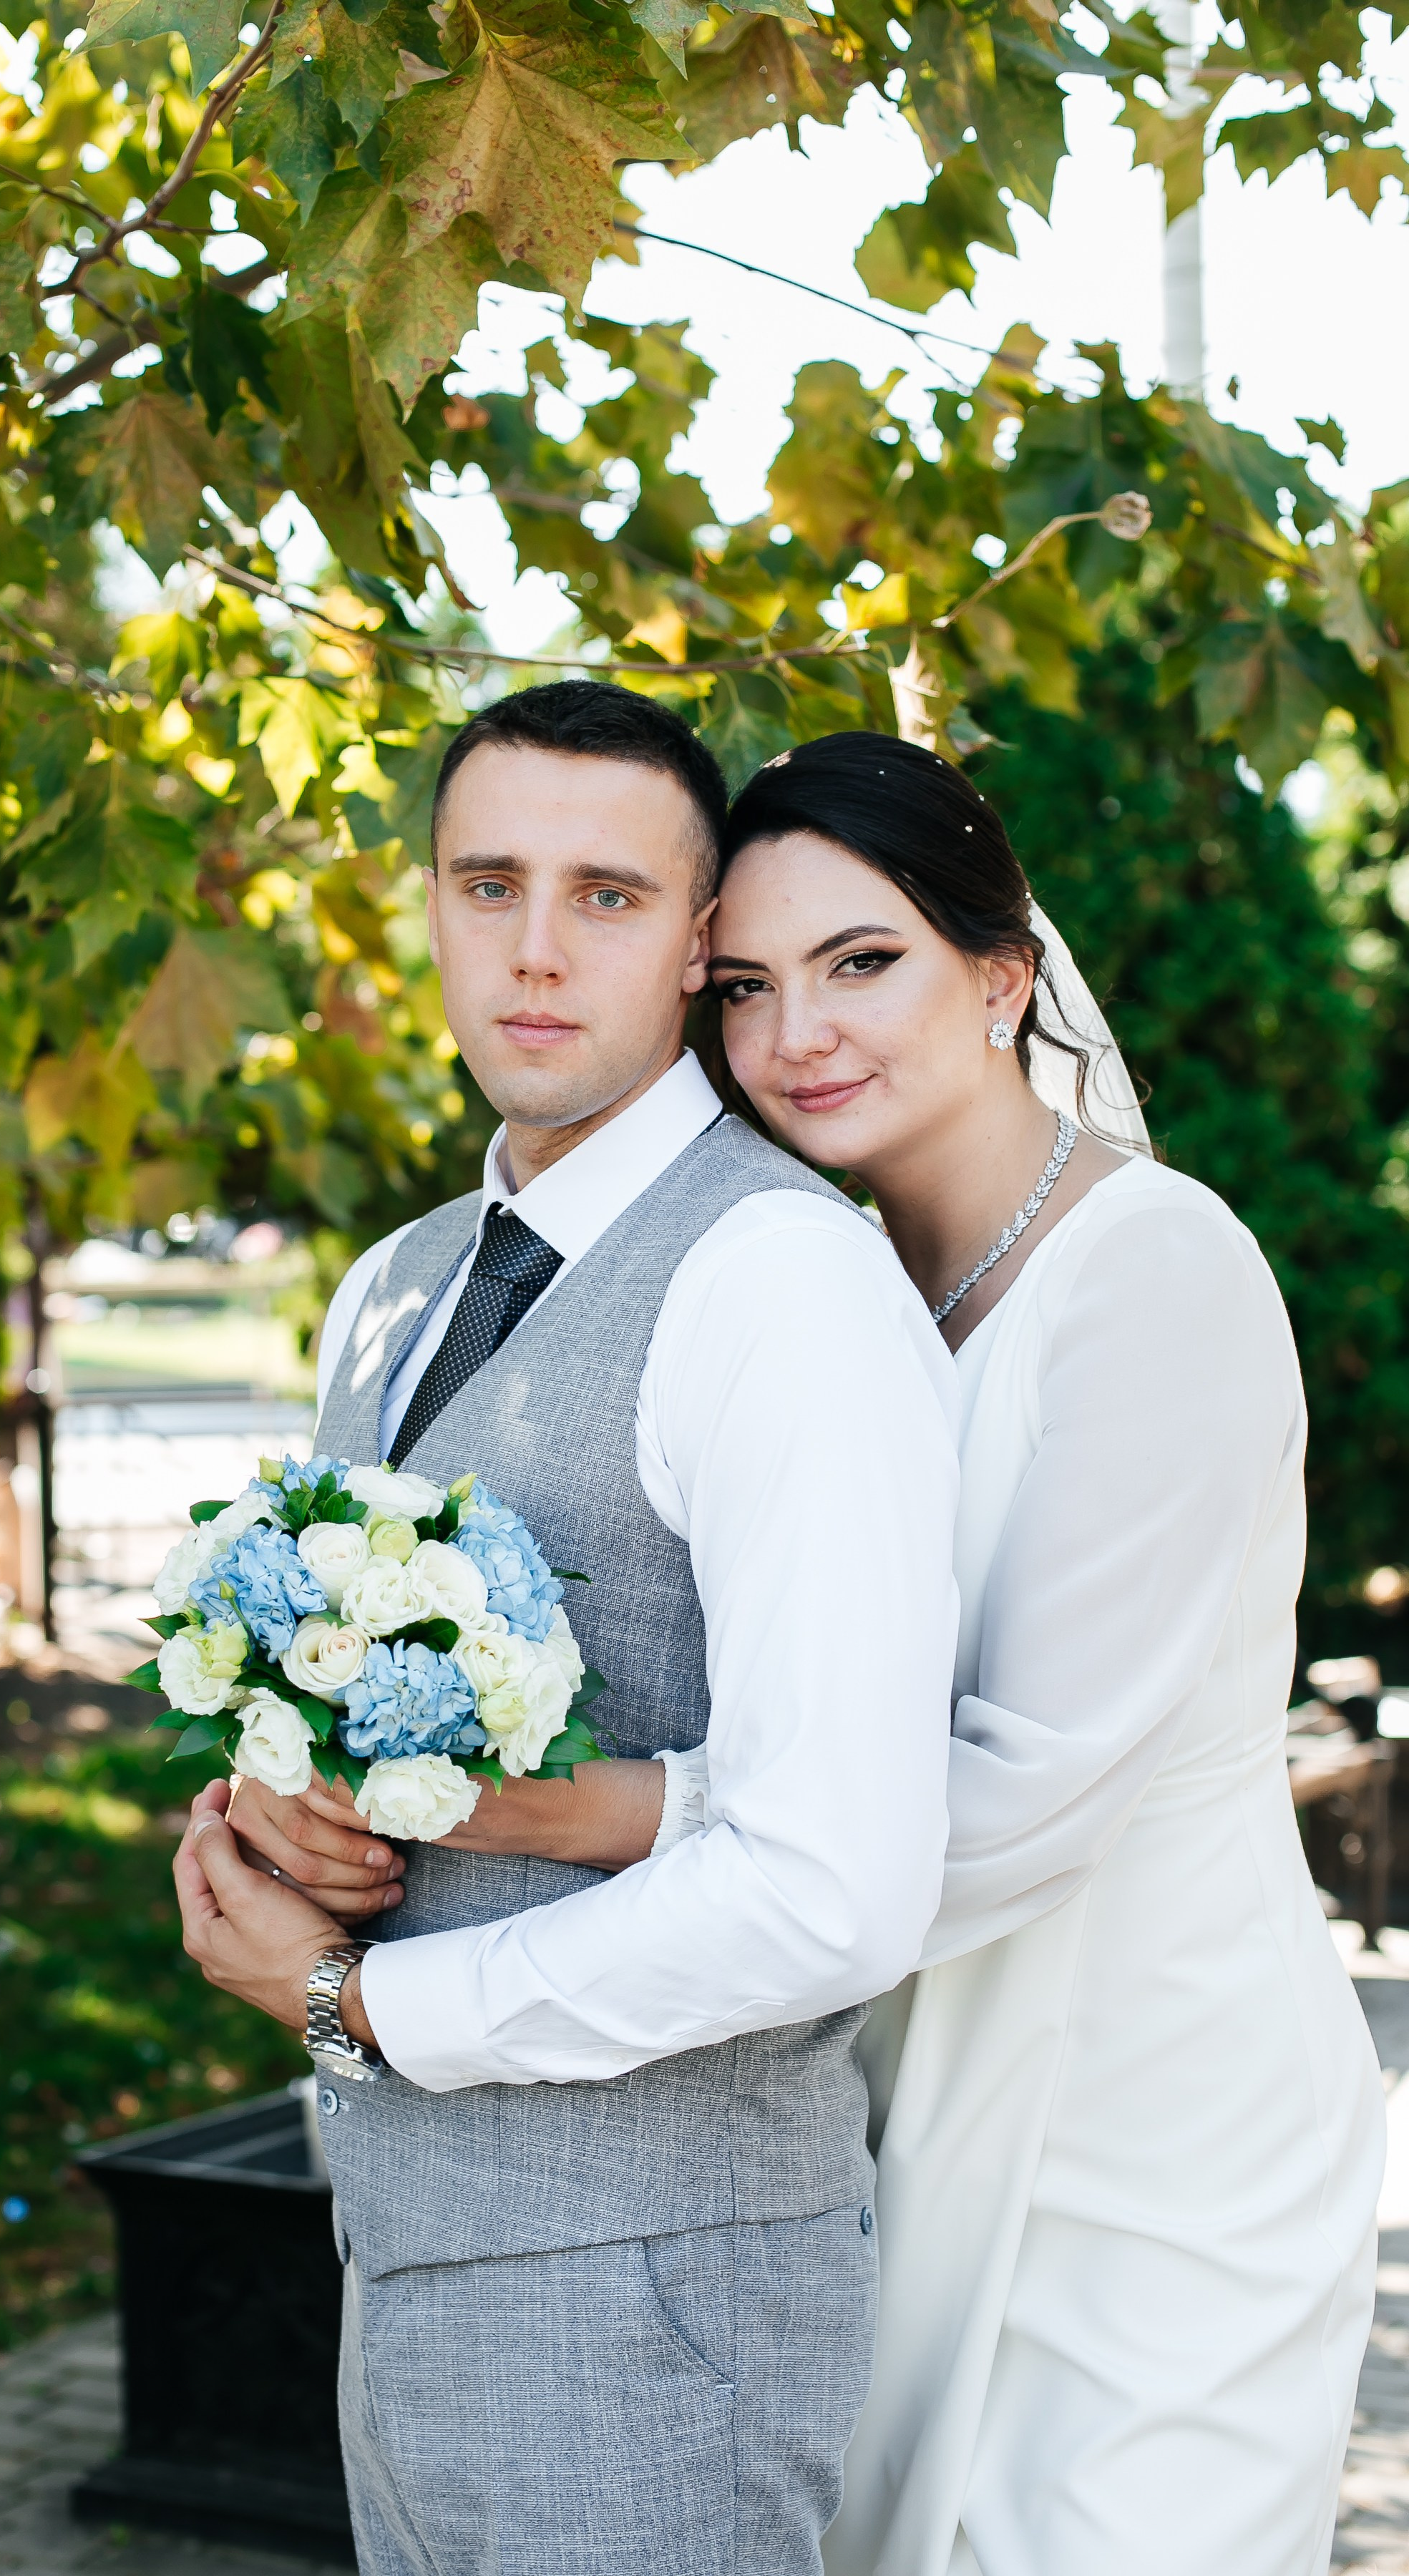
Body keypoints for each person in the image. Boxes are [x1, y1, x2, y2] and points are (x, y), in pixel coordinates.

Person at [245, 726, 1385, 2576]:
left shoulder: (1153, 1273)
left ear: (1003, 977)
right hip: (889, 2062)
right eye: (751, 988)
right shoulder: (835, 1270)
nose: (799, 1036)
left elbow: (1027, 1790)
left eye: (864, 964)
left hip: (1139, 2085)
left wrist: (595, 1813)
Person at [171, 684, 962, 2576]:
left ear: (699, 944)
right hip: (402, 2258)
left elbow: (834, 1887)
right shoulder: (395, 1285)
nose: (534, 949)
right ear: (431, 907)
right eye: (488, 884)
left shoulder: (778, 1282)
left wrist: (363, 2006)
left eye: (607, 895)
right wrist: (283, 1811)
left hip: (656, 2302)